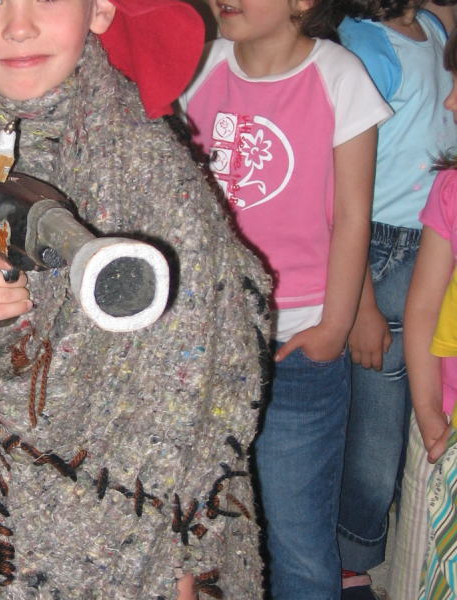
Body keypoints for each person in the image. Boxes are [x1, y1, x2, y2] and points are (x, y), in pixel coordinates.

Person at [0, 0, 273, 598]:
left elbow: (201, 396)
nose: (20, 26)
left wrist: (182, 555)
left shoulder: (155, 173)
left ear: (101, 9)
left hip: (132, 533)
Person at [177, 0, 392, 598]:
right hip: (211, 336)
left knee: (297, 532)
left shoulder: (339, 76)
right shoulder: (202, 64)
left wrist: (334, 327)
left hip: (298, 339)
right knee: (207, 524)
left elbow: (352, 217)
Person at [336, 4, 457, 598]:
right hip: (384, 243)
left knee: (409, 410)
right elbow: (341, 177)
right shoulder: (365, 45)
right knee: (379, 424)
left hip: (430, 234)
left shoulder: (431, 28)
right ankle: (355, 554)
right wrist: (359, 302)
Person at [406, 29, 457, 599]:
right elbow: (422, 307)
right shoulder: (451, 188)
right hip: (446, 417)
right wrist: (426, 411)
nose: (449, 101)